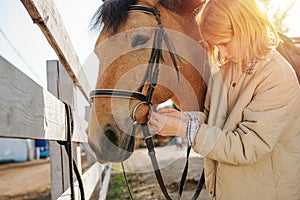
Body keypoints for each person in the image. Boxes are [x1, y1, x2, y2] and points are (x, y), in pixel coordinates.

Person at [148, 0, 300, 199]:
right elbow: (215, 121)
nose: (222, 53)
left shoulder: (277, 76)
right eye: (214, 45)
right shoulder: (224, 71)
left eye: (225, 43)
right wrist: (184, 119)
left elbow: (246, 146)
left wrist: (182, 130)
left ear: (247, 28)